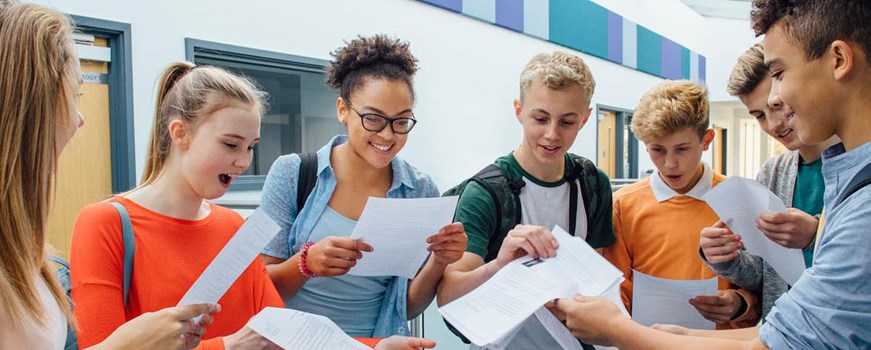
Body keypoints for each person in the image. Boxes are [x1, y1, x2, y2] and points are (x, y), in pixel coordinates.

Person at [554, 0, 871, 348]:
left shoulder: (861, 208)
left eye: (779, 74)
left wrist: (619, 331)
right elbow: (784, 324)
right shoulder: (831, 180)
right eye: (657, 150)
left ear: (839, 60)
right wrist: (684, 332)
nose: (777, 102)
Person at [0, 2, 219, 349]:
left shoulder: (35, 259)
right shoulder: (104, 221)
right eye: (74, 96)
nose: (79, 119)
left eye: (251, 147)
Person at [260, 34, 467, 338]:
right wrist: (306, 262)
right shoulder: (293, 173)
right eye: (373, 119)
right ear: (343, 109)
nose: (387, 135)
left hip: (376, 343)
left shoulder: (420, 190)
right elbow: (261, 288)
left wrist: (439, 261)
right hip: (293, 342)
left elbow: (406, 308)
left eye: (401, 121)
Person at [436, 51, 614, 349]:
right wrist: (500, 264)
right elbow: (449, 297)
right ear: (519, 110)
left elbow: (597, 277)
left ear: (584, 118)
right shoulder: (485, 192)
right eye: (540, 118)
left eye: (567, 122)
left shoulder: (592, 182)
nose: (551, 134)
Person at [695, 42, 834, 322]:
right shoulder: (771, 173)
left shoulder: (853, 165)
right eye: (759, 115)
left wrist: (816, 235)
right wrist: (724, 257)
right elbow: (762, 274)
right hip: (781, 333)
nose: (773, 125)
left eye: (778, 106)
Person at [602, 80, 758, 328]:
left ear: (707, 140)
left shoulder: (740, 198)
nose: (670, 164)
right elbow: (615, 292)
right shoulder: (623, 205)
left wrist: (741, 303)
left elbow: (766, 284)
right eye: (658, 150)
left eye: (682, 149)